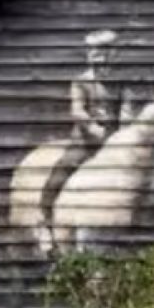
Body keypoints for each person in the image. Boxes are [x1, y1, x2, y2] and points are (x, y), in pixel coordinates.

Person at [36, 29, 132, 250]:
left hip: (113, 145)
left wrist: (124, 132)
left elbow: (127, 110)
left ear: (114, 53)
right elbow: (77, 110)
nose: (99, 55)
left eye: (104, 50)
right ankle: (45, 220)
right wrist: (92, 127)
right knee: (63, 169)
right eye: (95, 50)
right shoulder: (81, 82)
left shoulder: (121, 83)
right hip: (86, 141)